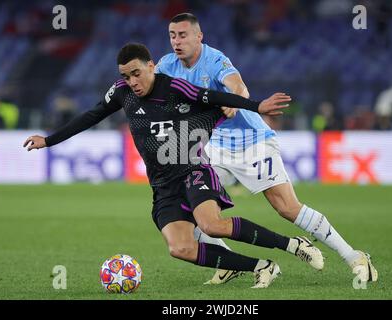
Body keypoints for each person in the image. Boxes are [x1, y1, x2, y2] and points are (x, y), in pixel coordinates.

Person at [23, 43, 323, 289]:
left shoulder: (175, 87)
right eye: (126, 76)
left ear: (151, 66)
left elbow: (213, 96)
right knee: (180, 248)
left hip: (193, 171)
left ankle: (293, 245)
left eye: (137, 74)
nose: (132, 82)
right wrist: (49, 141)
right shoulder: (122, 93)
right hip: (163, 186)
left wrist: (256, 105)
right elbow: (91, 115)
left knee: (211, 226)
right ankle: (263, 266)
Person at [156, 13, 378, 284]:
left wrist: (234, 101)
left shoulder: (214, 59)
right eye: (172, 36)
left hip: (252, 142)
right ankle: (227, 263)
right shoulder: (167, 65)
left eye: (183, 35)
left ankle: (354, 256)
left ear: (198, 37)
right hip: (214, 147)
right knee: (189, 207)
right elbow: (145, 86)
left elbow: (239, 86)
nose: (177, 41)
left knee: (286, 207)